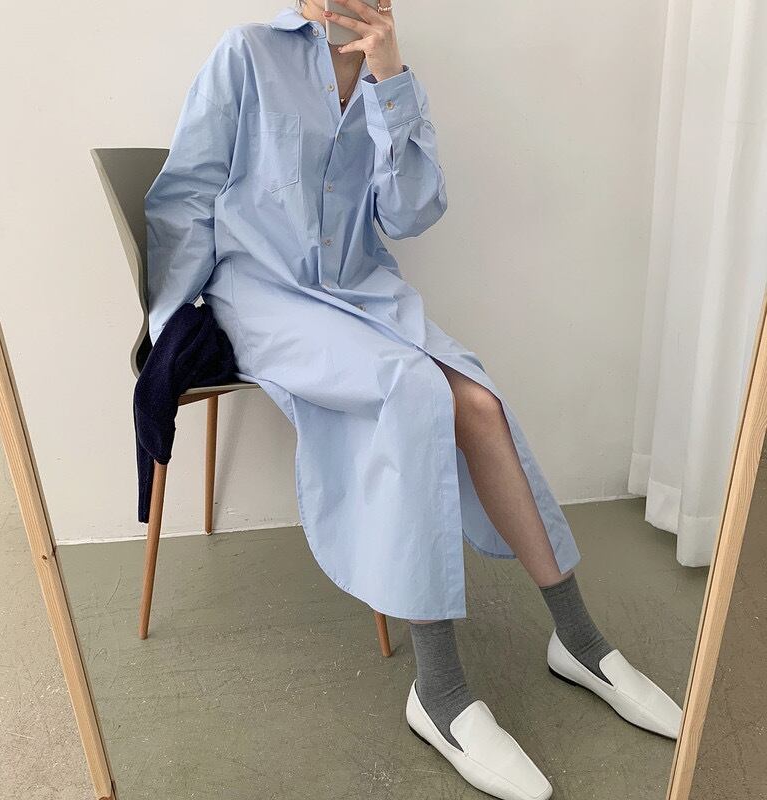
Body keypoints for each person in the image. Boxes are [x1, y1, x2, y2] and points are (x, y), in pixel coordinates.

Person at [144, 2, 683, 797]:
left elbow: (411, 212)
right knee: (414, 391)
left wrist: (390, 79)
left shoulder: (389, 77)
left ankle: (579, 639)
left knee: (480, 405)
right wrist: (169, 327)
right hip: (263, 296)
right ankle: (440, 692)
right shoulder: (247, 53)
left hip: (360, 294)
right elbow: (186, 193)